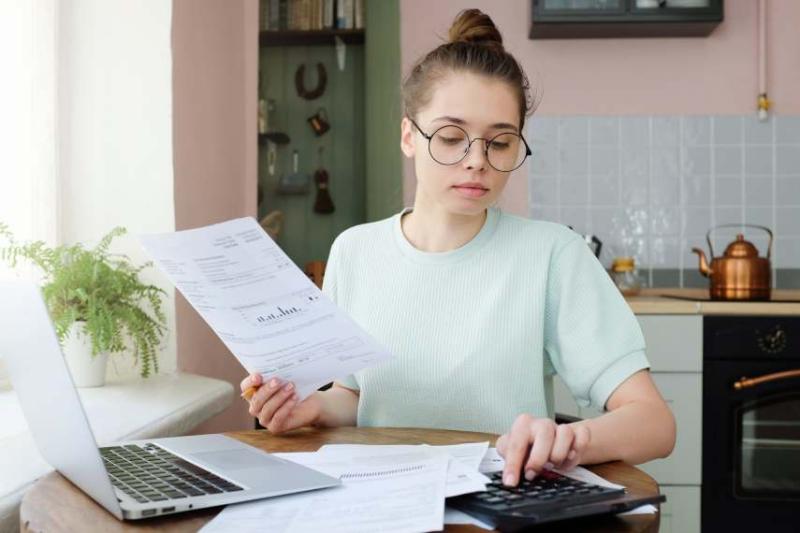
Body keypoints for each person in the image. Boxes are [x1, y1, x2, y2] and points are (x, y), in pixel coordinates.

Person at [241, 8, 675, 488]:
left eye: (501, 142)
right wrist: (313, 408)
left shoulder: (553, 255)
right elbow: (357, 397)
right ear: (409, 136)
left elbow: (654, 423)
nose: (476, 162)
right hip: (381, 501)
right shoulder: (354, 251)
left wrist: (567, 441)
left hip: (503, 502)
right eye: (450, 137)